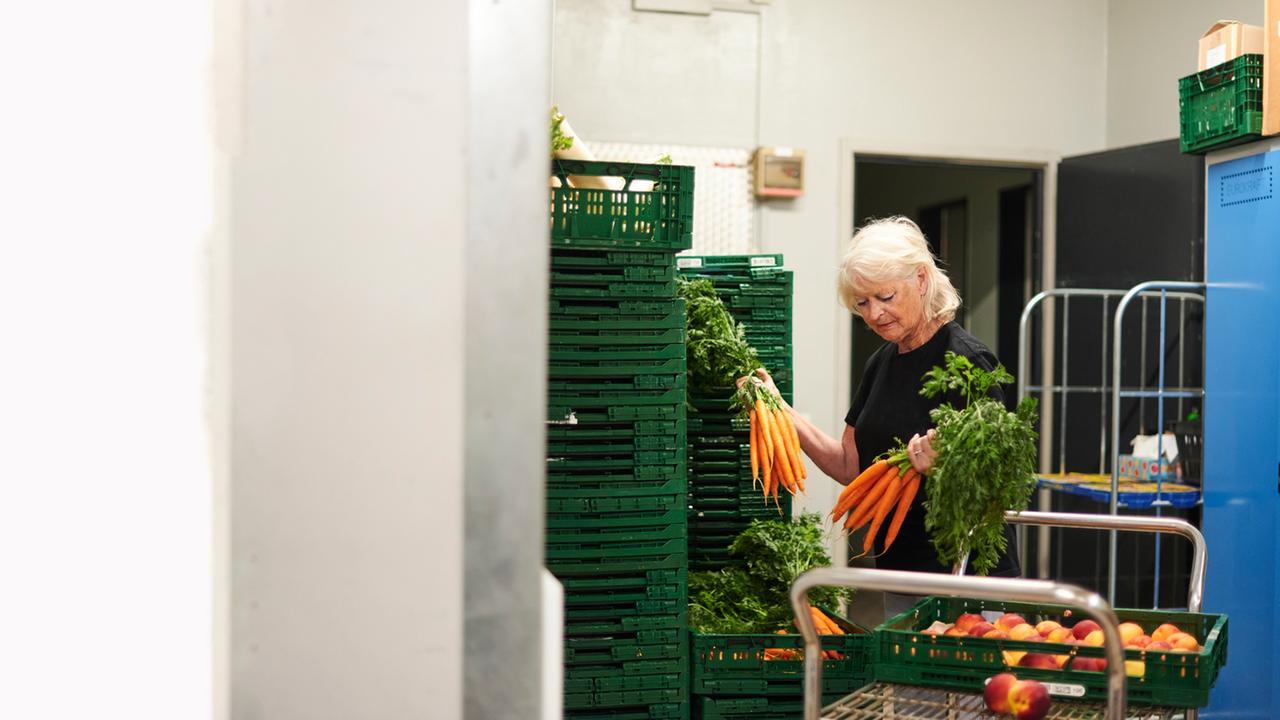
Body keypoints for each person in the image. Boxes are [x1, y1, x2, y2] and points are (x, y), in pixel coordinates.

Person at [742, 216, 1020, 618]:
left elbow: (999, 479)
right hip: (899, 574)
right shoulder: (881, 363)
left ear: (922, 279)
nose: (874, 313)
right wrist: (776, 407)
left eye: (885, 297)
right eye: (862, 303)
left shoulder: (966, 361)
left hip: (968, 580)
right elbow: (849, 464)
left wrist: (948, 466)